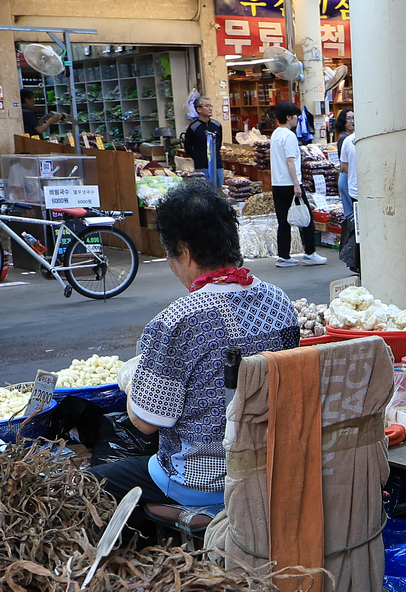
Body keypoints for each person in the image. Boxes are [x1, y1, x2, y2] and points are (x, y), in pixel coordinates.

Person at [91, 180, 299, 510]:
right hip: (270, 466)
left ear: (184, 251)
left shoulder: (176, 320)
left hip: (203, 481)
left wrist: (131, 382)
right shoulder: (279, 301)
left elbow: (146, 422)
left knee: (91, 482)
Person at [269, 101, 325, 268]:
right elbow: (290, 161)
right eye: (295, 117)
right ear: (288, 117)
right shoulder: (289, 136)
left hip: (277, 183)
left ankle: (284, 255)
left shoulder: (275, 134)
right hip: (290, 183)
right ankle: (309, 253)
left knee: (283, 221)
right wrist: (296, 184)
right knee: (306, 217)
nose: (297, 120)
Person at [183, 95, 223, 188]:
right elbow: (188, 147)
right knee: (205, 192)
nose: (210, 109)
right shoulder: (194, 127)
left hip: (218, 165)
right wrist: (198, 156)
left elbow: (219, 143)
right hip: (202, 166)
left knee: (219, 191)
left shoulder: (217, 125)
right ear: (199, 109)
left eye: (210, 106)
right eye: (207, 106)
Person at [334, 109, 357, 221]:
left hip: (348, 175)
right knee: (351, 214)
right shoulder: (345, 139)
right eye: (348, 118)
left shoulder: (350, 137)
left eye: (353, 117)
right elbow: (344, 164)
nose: (351, 121)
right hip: (347, 176)